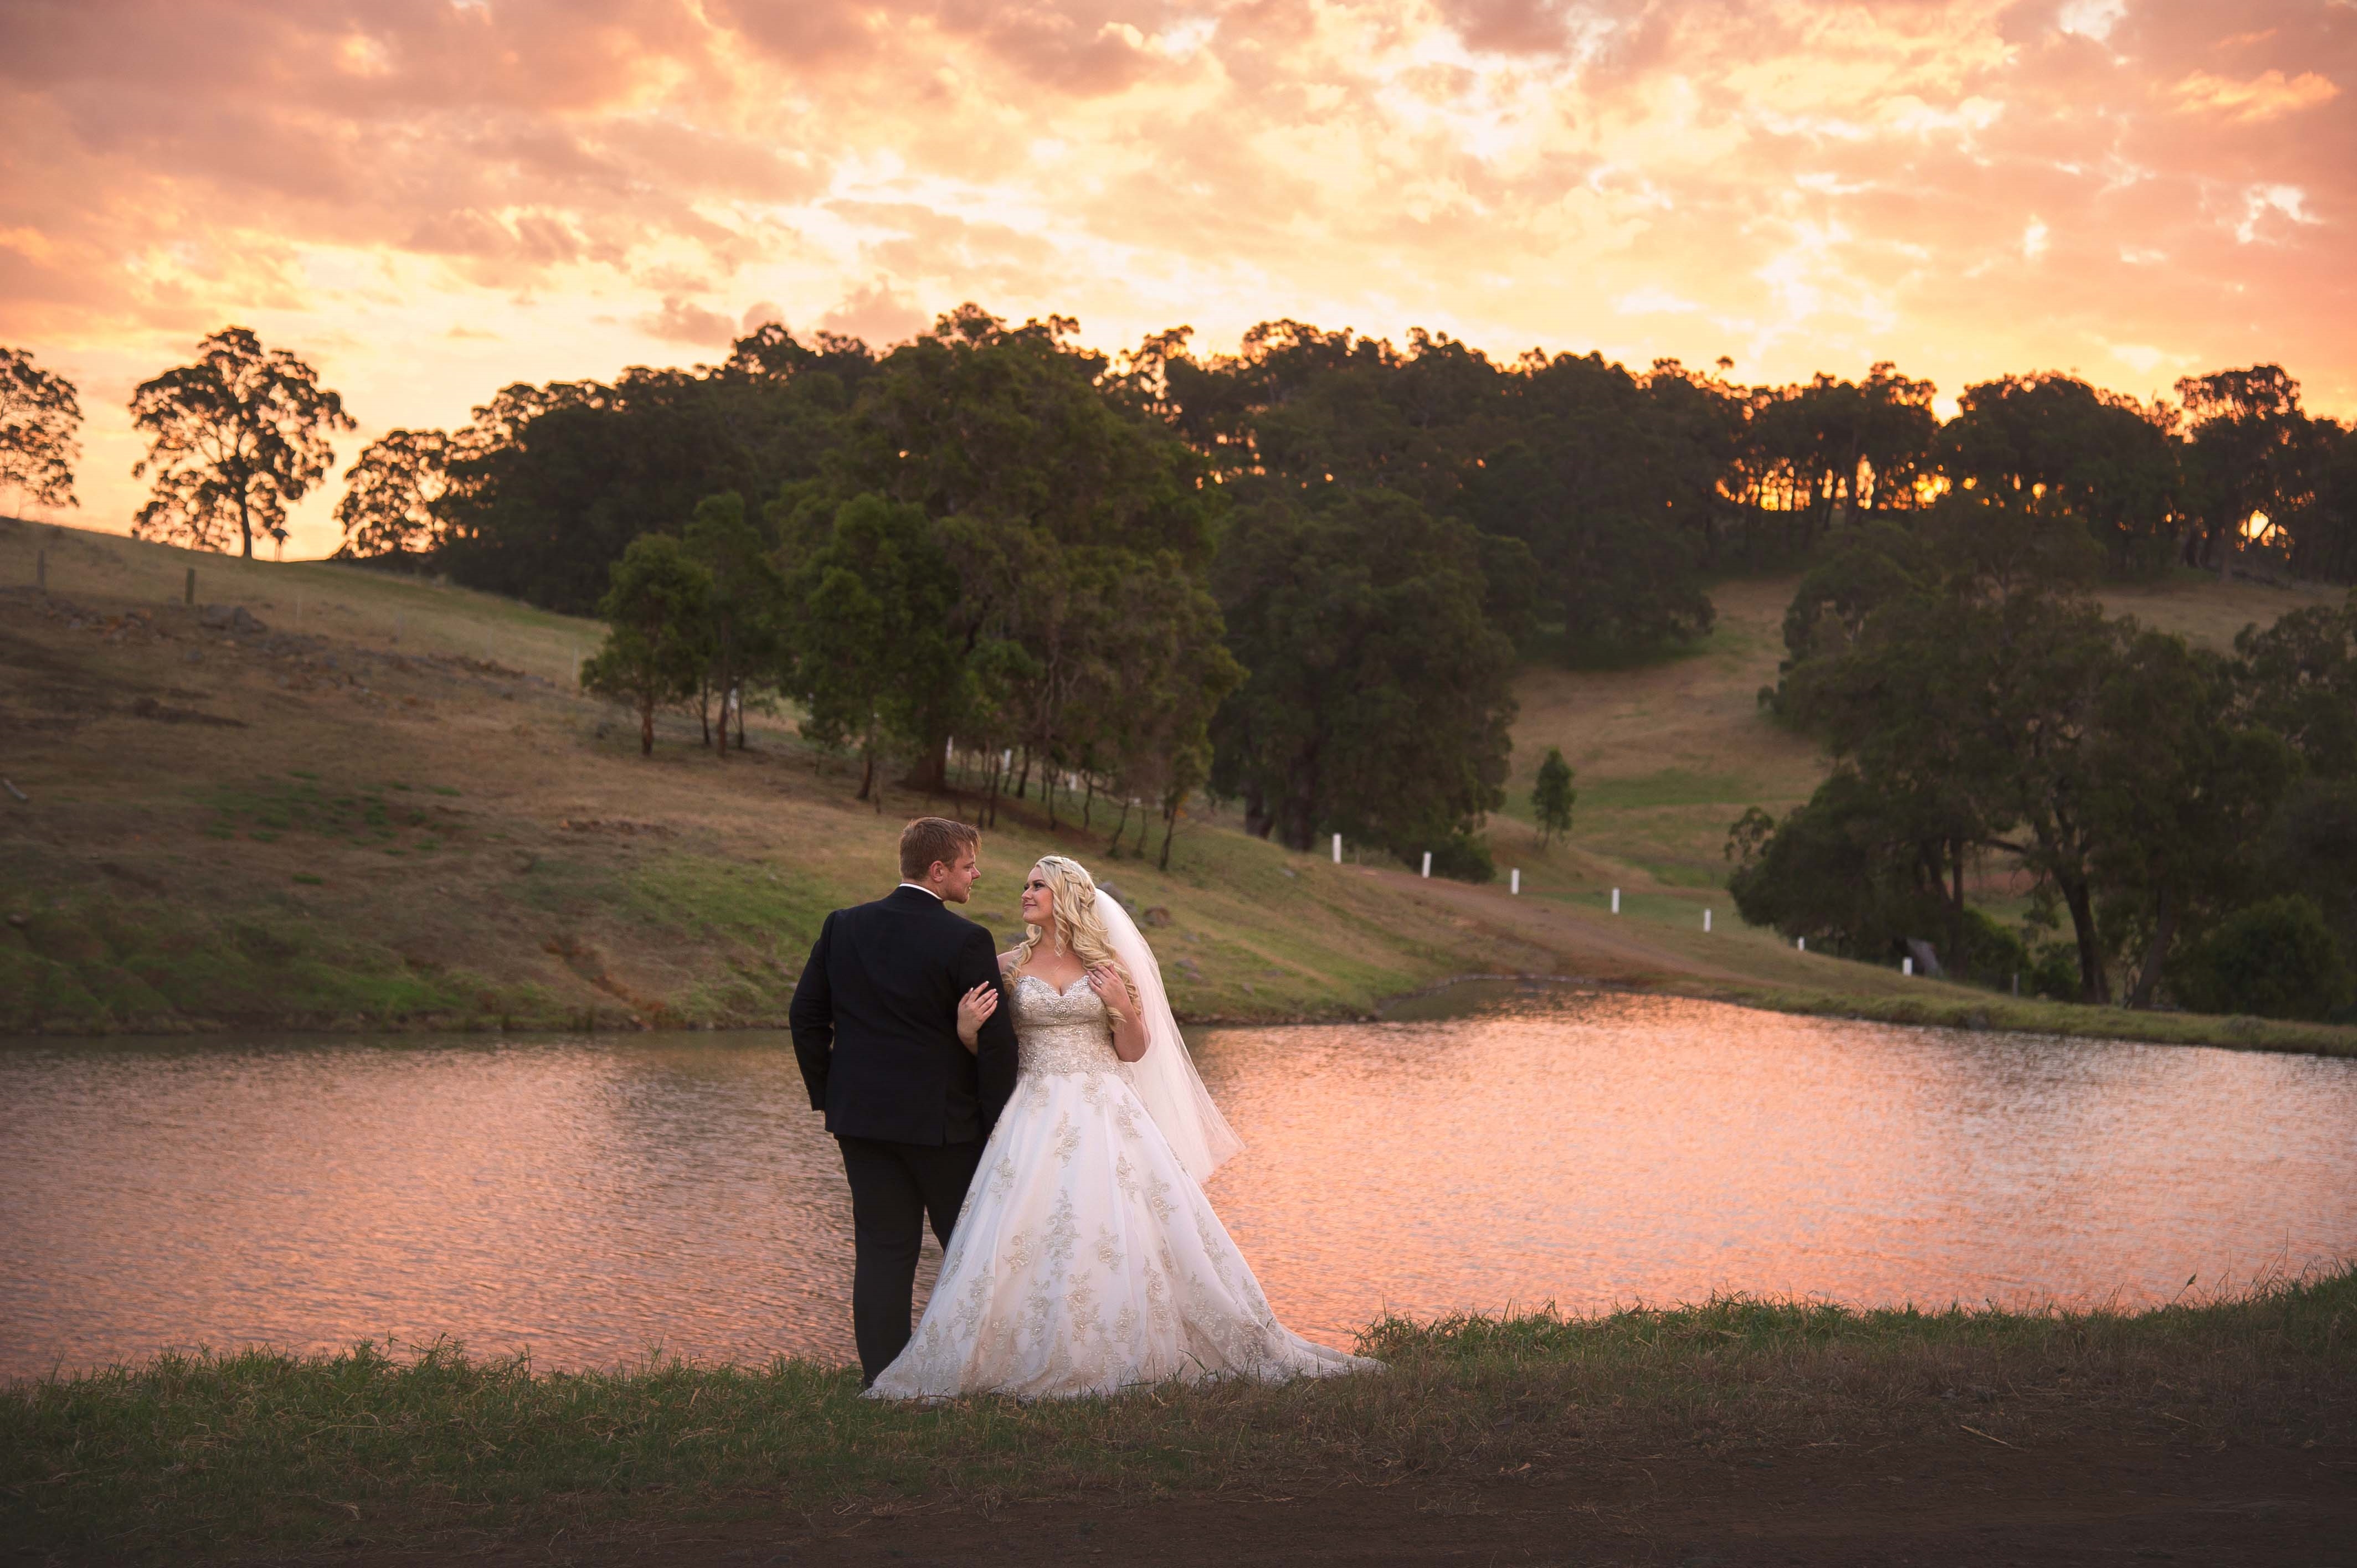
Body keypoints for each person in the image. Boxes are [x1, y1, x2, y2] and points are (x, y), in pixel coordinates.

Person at [867, 853, 1379, 1399]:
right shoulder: (1007, 966)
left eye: (1037, 886)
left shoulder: (1108, 967)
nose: (1025, 893)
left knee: (1114, 1217)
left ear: (1066, 896)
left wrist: (1121, 1006)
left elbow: (1133, 1051)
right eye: (1026, 885)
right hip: (1033, 1110)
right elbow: (994, 1057)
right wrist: (967, 1032)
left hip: (1105, 1108)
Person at [789, 817, 1019, 1388]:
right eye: (968, 865)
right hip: (944, 1126)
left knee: (882, 1250)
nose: (976, 875)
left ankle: (883, 1379)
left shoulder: (843, 926)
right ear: (937, 870)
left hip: (861, 1121)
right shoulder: (967, 940)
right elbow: (995, 1044)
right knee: (967, 1249)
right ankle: (969, 1370)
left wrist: (831, 1094)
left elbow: (805, 1017)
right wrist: (1000, 1123)